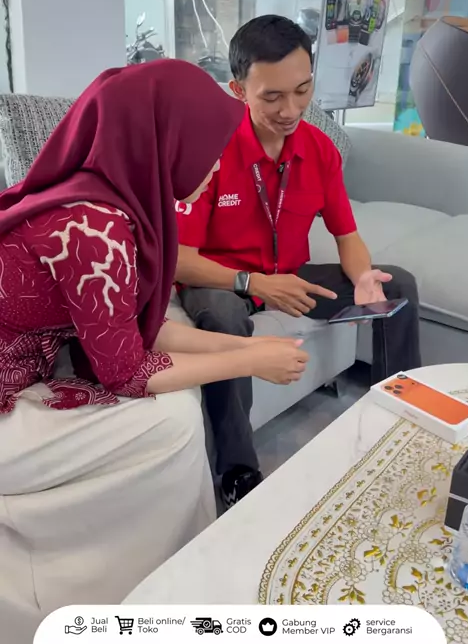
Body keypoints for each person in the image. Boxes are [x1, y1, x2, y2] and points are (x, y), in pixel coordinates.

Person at [0, 59, 308, 642]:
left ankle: (154, 573)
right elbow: (125, 370)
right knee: (171, 421)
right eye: (209, 149)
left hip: (24, 369)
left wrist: (249, 346)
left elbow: (142, 328)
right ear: (166, 142)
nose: (215, 166)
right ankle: (143, 586)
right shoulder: (93, 228)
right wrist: (248, 361)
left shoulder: (111, 203)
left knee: (176, 409)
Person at [175, 15, 422, 507]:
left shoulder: (319, 149)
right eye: (272, 97)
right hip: (224, 281)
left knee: (399, 285)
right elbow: (180, 260)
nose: (291, 110)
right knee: (222, 317)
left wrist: (363, 277)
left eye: (302, 90)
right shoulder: (210, 151)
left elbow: (347, 236)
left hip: (288, 278)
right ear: (238, 90)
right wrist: (254, 283)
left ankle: (398, 420)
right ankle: (238, 472)